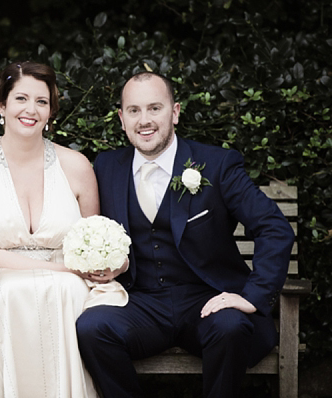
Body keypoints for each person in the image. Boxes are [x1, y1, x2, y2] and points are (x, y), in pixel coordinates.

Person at [76, 71, 295, 398]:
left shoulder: (217, 164)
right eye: (134, 111)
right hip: (142, 302)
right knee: (92, 328)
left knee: (231, 327)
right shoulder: (107, 167)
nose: (144, 120)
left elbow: (273, 227)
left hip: (208, 298)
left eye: (154, 108)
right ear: (122, 119)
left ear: (175, 112)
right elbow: (88, 229)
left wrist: (252, 296)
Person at [0, 61, 101, 397]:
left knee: (66, 293)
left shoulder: (76, 166)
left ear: (51, 111)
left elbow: (91, 242)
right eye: (21, 99)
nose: (31, 109)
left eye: (41, 101)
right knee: (22, 293)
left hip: (66, 292)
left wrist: (90, 267)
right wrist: (61, 270)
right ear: (2, 106)